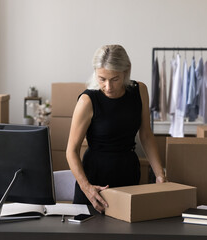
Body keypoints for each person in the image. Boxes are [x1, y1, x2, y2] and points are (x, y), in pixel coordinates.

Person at [66, 44, 166, 213]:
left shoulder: (139, 91)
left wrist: (159, 175)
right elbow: (71, 150)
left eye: (114, 79)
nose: (108, 86)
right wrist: (86, 187)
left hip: (128, 173)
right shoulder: (87, 100)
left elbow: (146, 135)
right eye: (101, 79)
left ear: (126, 71)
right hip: (94, 179)